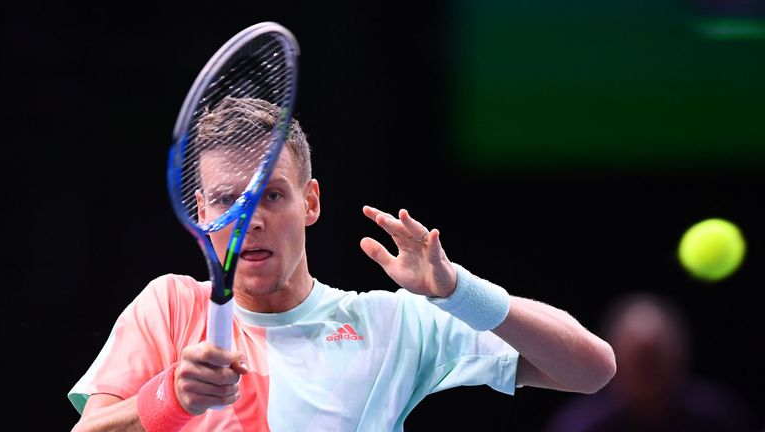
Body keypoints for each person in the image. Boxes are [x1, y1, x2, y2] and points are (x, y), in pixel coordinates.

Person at [68, 97, 616, 432]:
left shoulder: (390, 324)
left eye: (272, 195)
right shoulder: (169, 306)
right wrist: (171, 398)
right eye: (228, 200)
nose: (250, 219)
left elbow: (592, 370)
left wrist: (459, 292)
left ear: (310, 202)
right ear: (202, 213)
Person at [543, 292, 757, 432]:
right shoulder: (581, 426)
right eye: (639, 361)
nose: (648, 372)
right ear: (613, 361)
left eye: (655, 359)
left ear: (680, 356)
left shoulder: (717, 416)